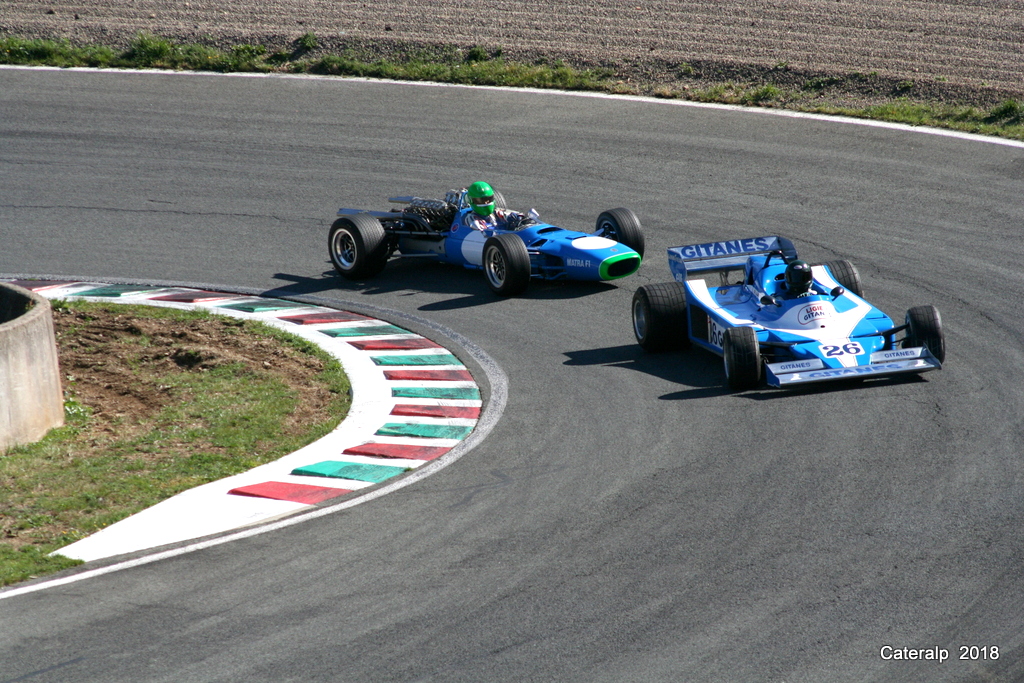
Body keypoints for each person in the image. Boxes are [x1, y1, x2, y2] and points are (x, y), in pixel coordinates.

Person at [461, 181, 534, 231]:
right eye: (481, 200)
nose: (486, 203)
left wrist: (522, 219)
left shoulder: (498, 214)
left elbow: (513, 218)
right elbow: (483, 234)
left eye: (489, 199)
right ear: (471, 201)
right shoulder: (471, 219)